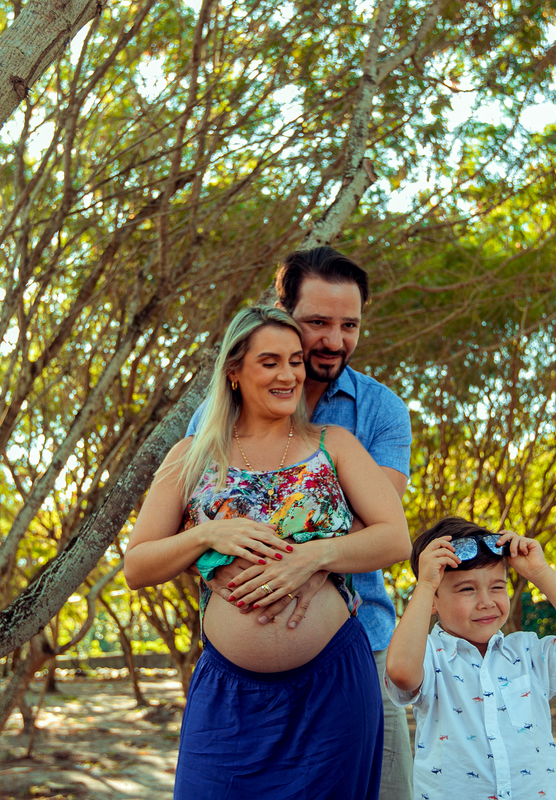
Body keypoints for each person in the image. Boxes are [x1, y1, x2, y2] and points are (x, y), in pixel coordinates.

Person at [124, 306, 411, 799]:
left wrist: (313, 558)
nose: (289, 375)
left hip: (334, 688)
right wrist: (206, 536)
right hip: (230, 697)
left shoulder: (333, 444)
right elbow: (137, 565)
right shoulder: (191, 456)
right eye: (271, 362)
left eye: (296, 361)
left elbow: (394, 539)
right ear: (234, 372)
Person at [384, 517, 556, 800]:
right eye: (467, 589)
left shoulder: (528, 653)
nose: (486, 601)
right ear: (432, 599)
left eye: (497, 587)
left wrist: (540, 572)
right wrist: (425, 583)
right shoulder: (430, 657)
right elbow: (401, 671)